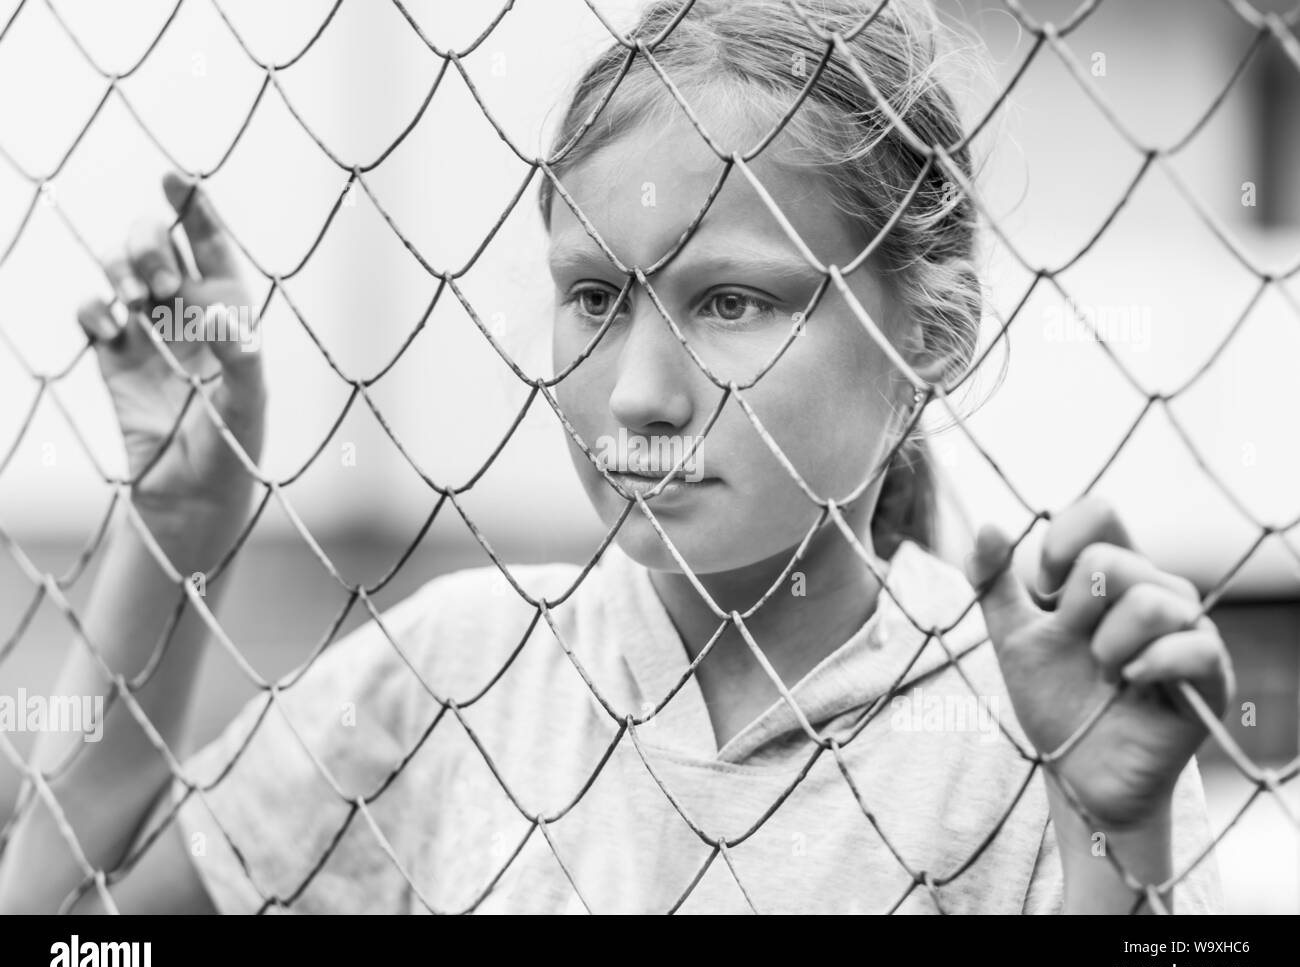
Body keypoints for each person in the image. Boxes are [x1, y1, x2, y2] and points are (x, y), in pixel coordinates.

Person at [0, 0, 1230, 914]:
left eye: (734, 302)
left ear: (929, 333)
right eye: (594, 296)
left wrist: (1116, 849)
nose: (638, 398)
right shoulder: (458, 677)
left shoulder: (1035, 732)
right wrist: (181, 518)